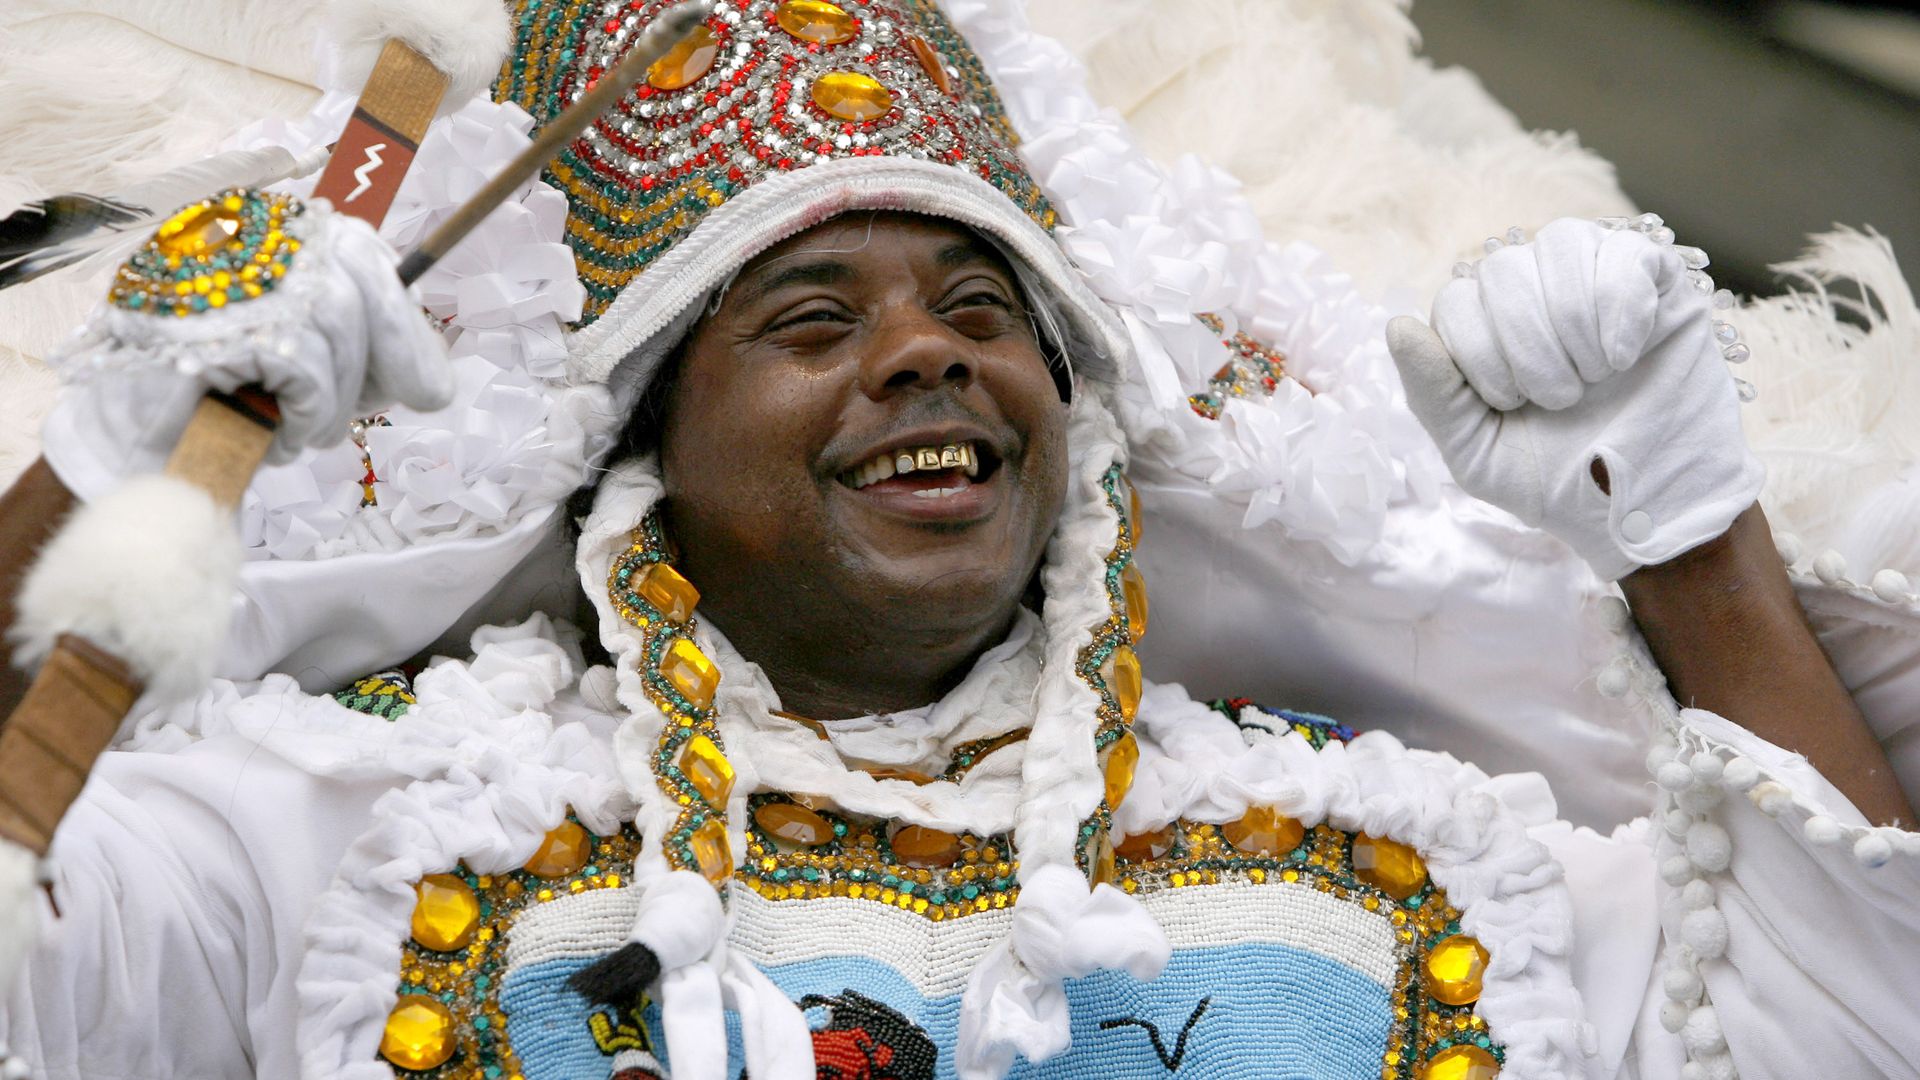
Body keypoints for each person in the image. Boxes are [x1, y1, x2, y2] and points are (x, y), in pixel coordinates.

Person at [1, 0, 1917, 1078]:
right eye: (813, 323)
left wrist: (1684, 530)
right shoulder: (357, 835)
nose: (928, 352)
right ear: (646, 451)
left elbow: (1846, 1038)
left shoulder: (1405, 871)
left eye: (989, 315)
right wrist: (97, 467)